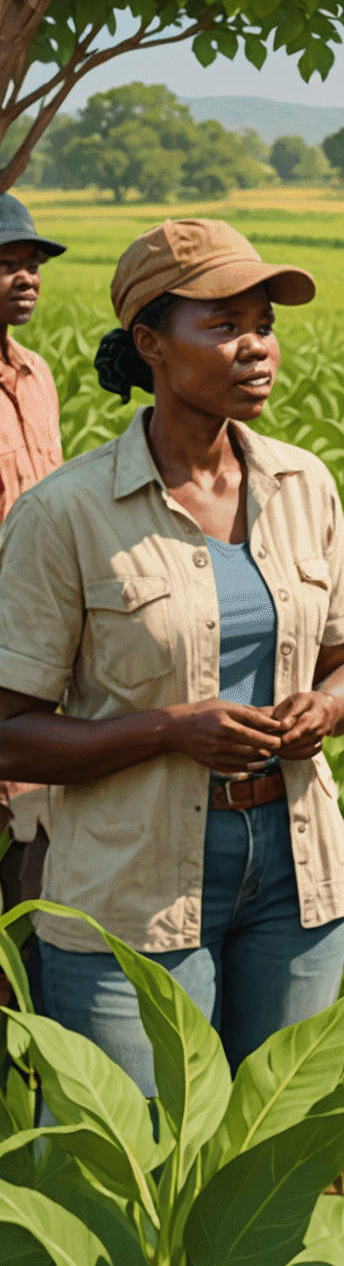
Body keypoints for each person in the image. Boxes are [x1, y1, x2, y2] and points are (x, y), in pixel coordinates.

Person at [0, 219, 344, 1088]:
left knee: (268, 1159)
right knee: (129, 1174)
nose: (257, 348)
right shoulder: (67, 514)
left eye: (264, 324)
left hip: (299, 874)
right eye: (225, 325)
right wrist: (172, 729)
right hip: (131, 889)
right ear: (150, 345)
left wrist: (327, 707)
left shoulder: (301, 483)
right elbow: (10, 731)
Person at [0, 194, 66, 941]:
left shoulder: (37, 375)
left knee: (36, 896)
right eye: (9, 265)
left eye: (33, 265)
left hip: (36, 660)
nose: (28, 278)